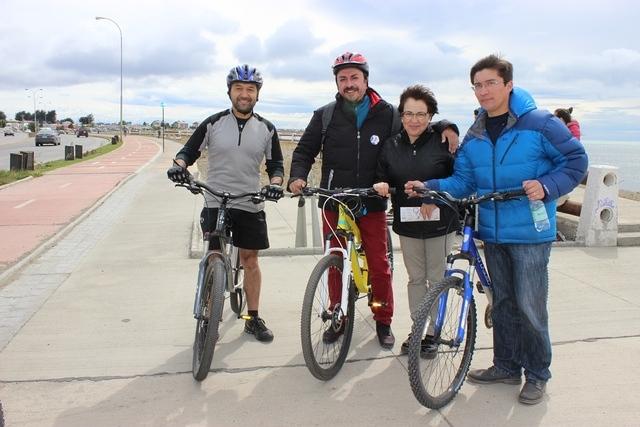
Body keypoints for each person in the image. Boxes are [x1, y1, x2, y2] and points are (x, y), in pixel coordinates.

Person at [406, 54, 587, 405]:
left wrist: (548, 185)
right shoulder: (474, 135)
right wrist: (429, 185)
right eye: (477, 85)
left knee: (530, 307)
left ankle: (537, 374)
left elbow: (577, 161)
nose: (483, 90)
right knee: (503, 303)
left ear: (508, 85)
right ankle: (506, 365)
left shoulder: (541, 124)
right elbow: (464, 181)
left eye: (490, 83)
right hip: (493, 231)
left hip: (531, 234)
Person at [288, 51, 459, 349]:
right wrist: (297, 177)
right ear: (337, 83)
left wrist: (446, 125)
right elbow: (303, 152)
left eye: (354, 77)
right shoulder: (325, 115)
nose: (349, 83)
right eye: (343, 79)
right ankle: (337, 314)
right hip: (334, 200)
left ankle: (383, 320)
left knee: (379, 264)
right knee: (335, 262)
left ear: (366, 79)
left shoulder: (390, 114)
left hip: (371, 201)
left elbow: (416, 129)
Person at [167, 64, 284, 342]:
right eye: (239, 89)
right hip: (215, 198)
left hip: (249, 200)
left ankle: (252, 318)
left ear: (257, 94)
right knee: (214, 254)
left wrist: (275, 185)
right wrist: (179, 165)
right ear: (230, 92)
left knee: (250, 259)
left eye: (250, 90)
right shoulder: (213, 123)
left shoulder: (267, 128)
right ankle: (208, 311)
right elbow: (188, 151)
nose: (244, 94)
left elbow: (276, 165)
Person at [373, 84, 457, 357]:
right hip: (407, 223)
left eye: (421, 114)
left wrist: (433, 191)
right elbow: (380, 174)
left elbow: (460, 179)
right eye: (408, 113)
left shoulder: (443, 141)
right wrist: (381, 185)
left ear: (431, 116)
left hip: (439, 223)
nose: (414, 120)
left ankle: (434, 331)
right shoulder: (391, 144)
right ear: (401, 114)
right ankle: (417, 328)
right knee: (415, 279)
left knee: (436, 278)